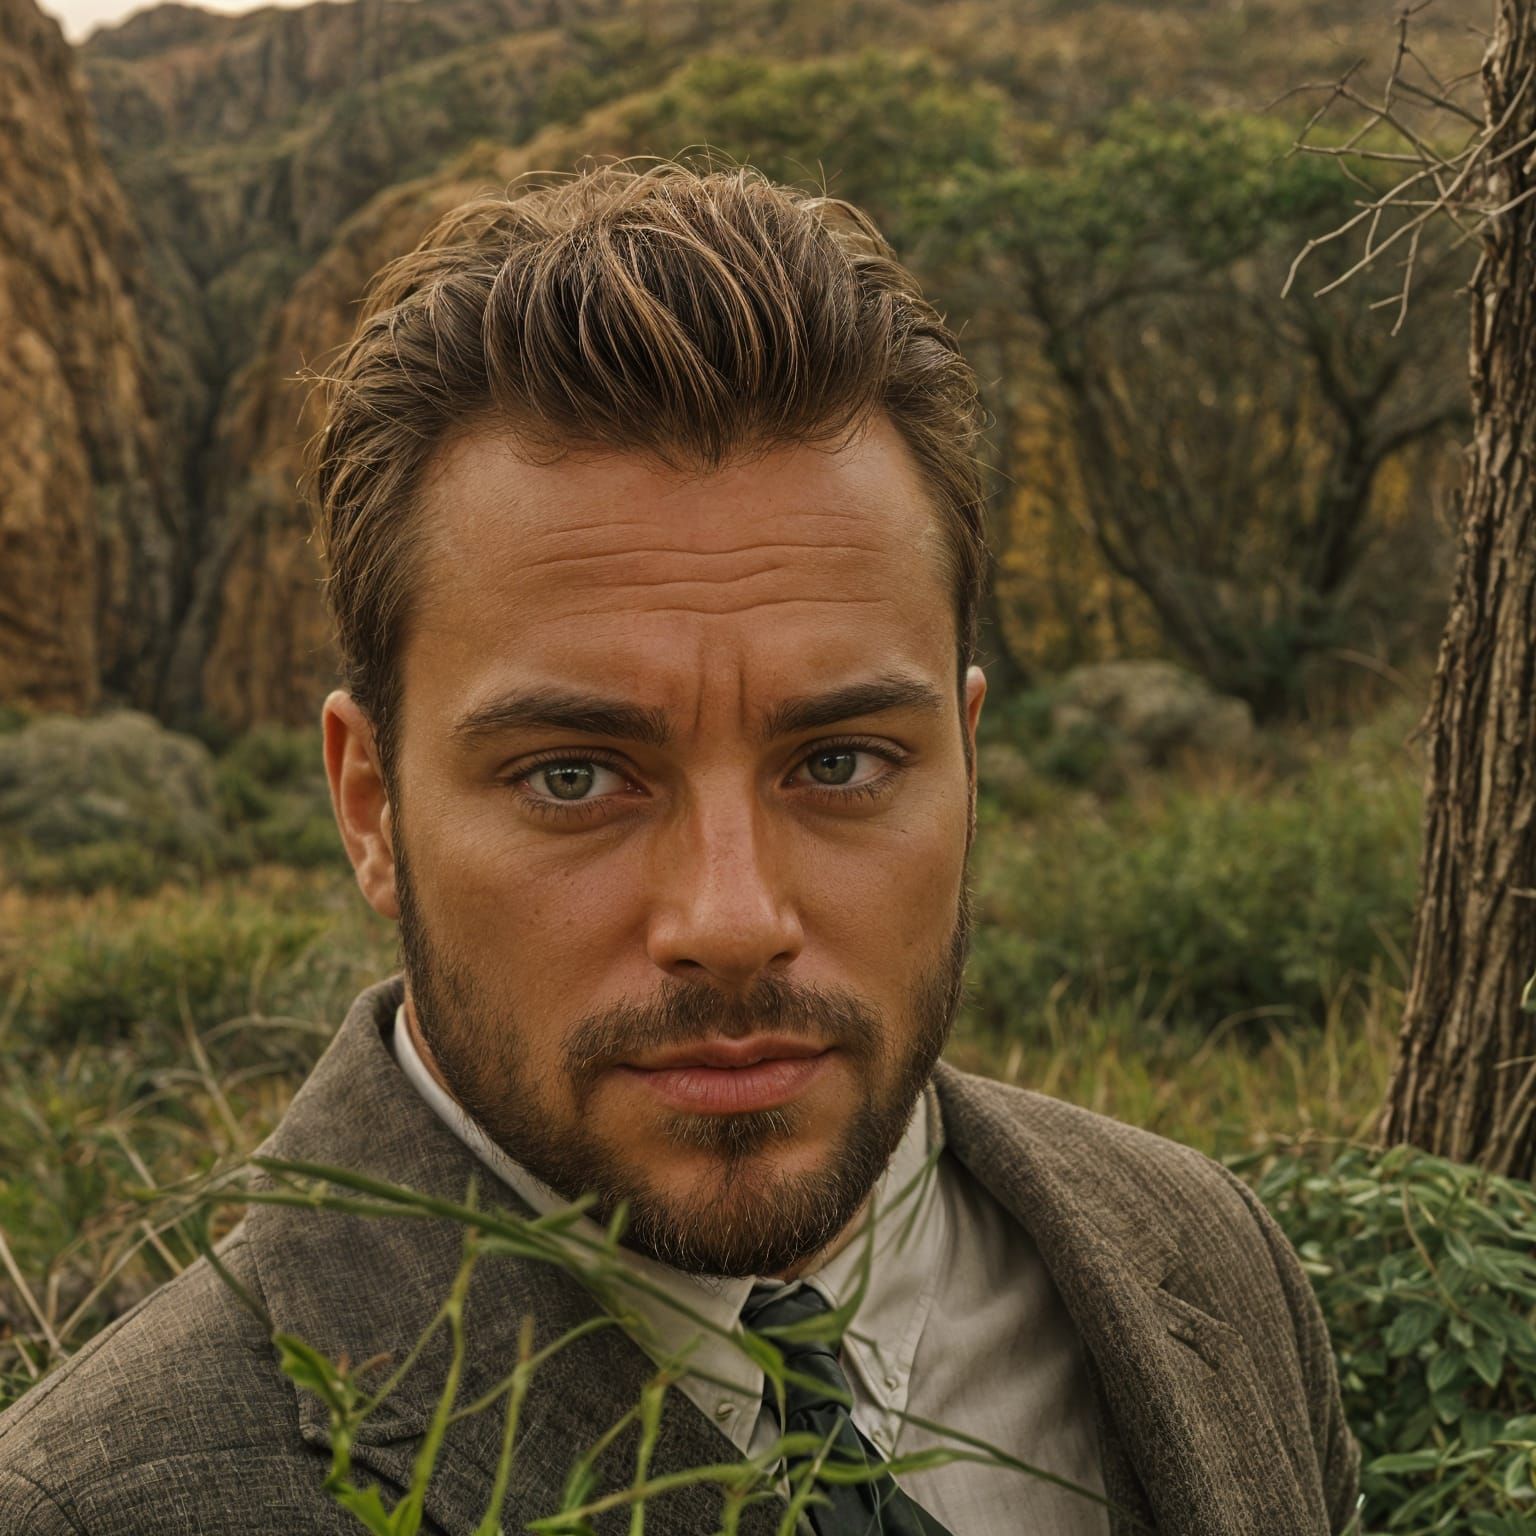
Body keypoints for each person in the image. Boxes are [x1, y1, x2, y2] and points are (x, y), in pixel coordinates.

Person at [0, 163, 1360, 1535]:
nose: (730, 914)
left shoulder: (1209, 1259)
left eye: (840, 763)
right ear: (372, 809)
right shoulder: (99, 1502)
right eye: (575, 776)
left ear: (967, 757)